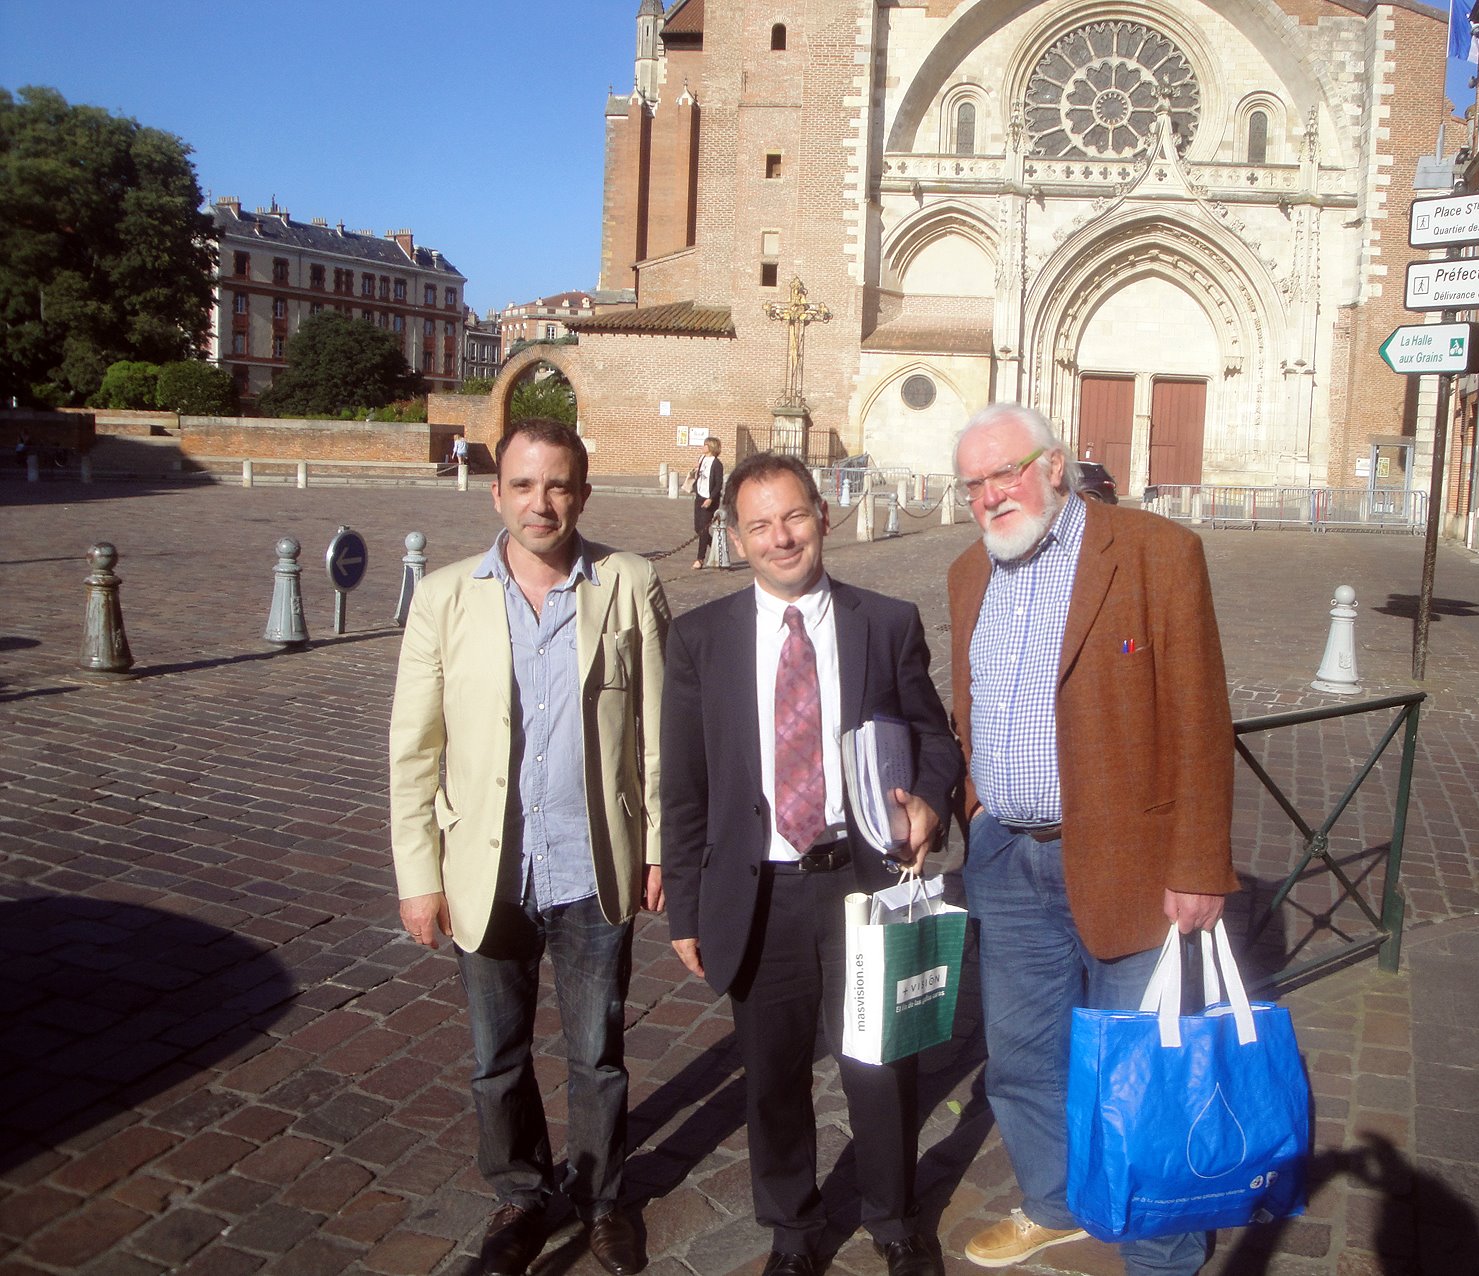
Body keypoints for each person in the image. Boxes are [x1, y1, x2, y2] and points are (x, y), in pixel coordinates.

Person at [947, 404, 1237, 1276]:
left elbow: (1199, 718)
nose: (992, 495)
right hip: (1006, 854)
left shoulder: (1154, 552)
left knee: (1143, 1070)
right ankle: (1053, 1201)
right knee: (1023, 1057)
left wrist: (1197, 866)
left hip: (1132, 863)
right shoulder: (969, 572)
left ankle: (1160, 1249)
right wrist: (972, 812)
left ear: (1055, 465)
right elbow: (971, 705)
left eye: (1006, 473)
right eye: (973, 485)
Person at [661, 453, 962, 1276]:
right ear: (734, 536)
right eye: (757, 525)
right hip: (760, 890)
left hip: (863, 882)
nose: (779, 537)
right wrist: (685, 908)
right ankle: (792, 1231)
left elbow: (935, 738)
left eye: (792, 516)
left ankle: (894, 1217)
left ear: (823, 516)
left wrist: (931, 799)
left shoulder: (885, 622)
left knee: (881, 1061)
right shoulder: (699, 639)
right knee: (773, 1075)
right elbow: (683, 785)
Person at [390, 418, 669, 1276]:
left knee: (597, 1053)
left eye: (557, 486)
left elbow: (659, 736)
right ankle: (519, 1193)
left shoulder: (627, 583)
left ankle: (602, 1198)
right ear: (495, 492)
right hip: (487, 869)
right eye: (522, 484)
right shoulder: (444, 597)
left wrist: (658, 846)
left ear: (582, 494)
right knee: (495, 1057)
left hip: (593, 864)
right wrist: (418, 876)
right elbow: (415, 748)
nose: (539, 503)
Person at [688, 436, 724, 569]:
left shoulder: (717, 464)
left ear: (711, 447)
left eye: (705, 445)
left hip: (709, 499)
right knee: (698, 528)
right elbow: (698, 476)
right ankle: (717, 547)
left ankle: (700, 559)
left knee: (704, 528)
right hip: (699, 496)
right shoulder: (701, 459)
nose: (703, 447)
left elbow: (718, 484)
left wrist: (711, 499)